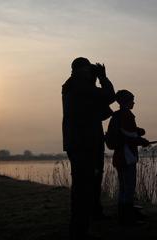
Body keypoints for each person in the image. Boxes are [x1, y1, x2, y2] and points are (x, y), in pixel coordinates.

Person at [62, 57, 115, 239]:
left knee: (91, 180)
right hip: (84, 143)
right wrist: (103, 77)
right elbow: (109, 96)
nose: (90, 72)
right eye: (88, 69)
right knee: (83, 186)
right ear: (80, 70)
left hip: (84, 141)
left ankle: (92, 215)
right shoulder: (79, 86)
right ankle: (79, 230)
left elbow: (98, 110)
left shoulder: (75, 87)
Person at [111, 90, 149, 225]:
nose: (133, 102)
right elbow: (129, 138)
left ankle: (123, 215)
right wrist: (142, 141)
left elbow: (126, 133)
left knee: (123, 187)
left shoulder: (116, 116)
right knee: (129, 187)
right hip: (127, 157)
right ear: (126, 102)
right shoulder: (126, 115)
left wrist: (138, 131)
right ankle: (128, 218)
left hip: (119, 156)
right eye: (132, 100)